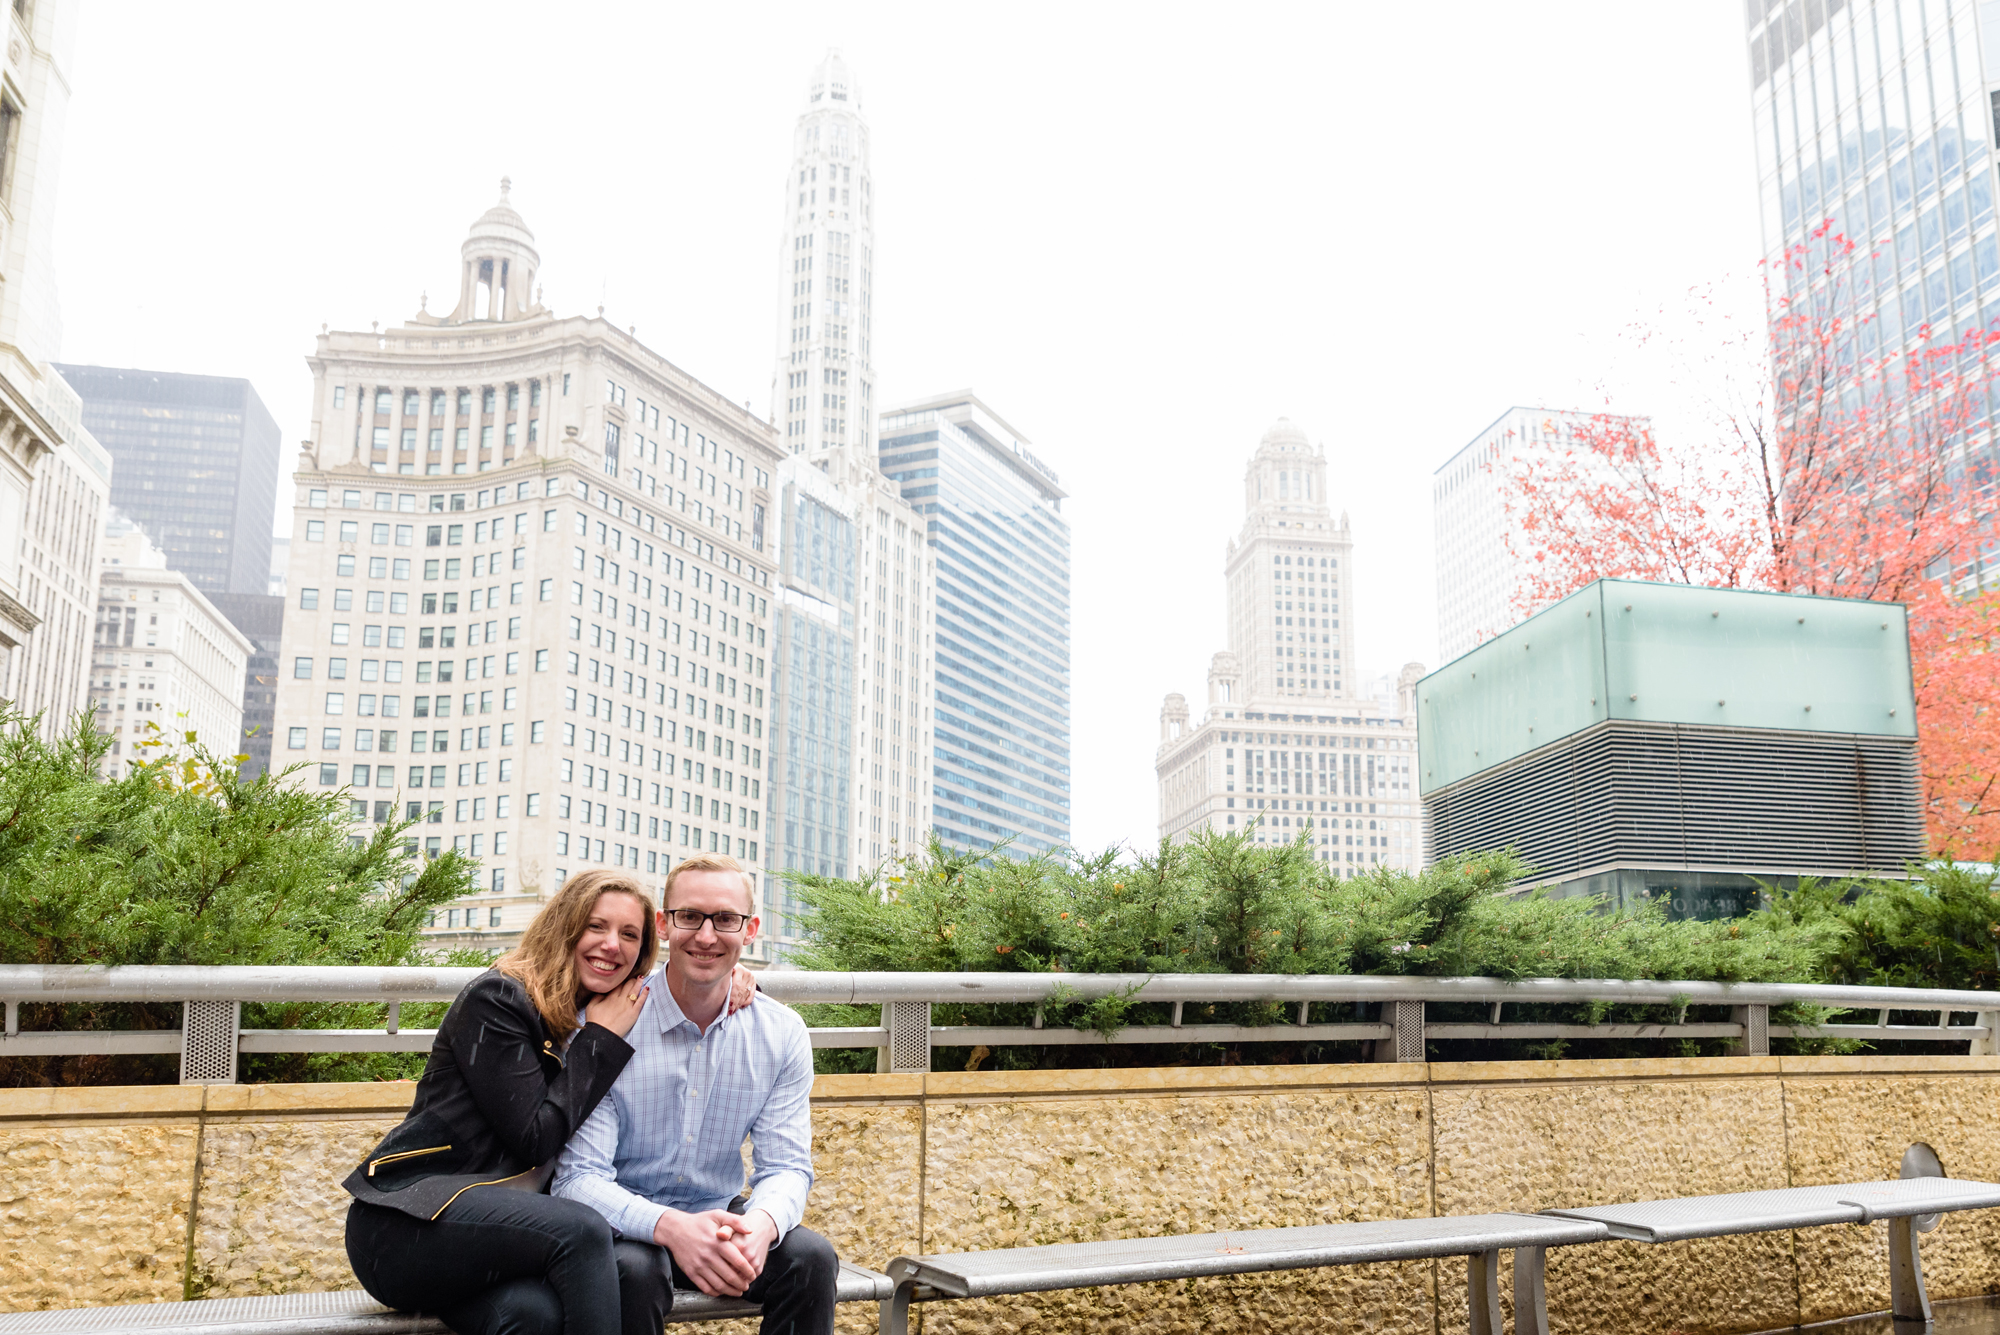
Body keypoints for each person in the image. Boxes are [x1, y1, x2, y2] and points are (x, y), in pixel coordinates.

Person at [342, 870, 756, 1335]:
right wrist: (599, 1040)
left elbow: (693, 979)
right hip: (408, 1228)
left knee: (532, 1317)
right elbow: (534, 1138)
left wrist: (734, 976)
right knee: (583, 1229)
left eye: (629, 935)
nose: (611, 946)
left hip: (499, 1243)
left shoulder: (598, 1010)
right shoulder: (499, 1000)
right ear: (565, 926)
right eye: (595, 926)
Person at [553, 853, 837, 1335]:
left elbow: (787, 1166)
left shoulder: (781, 1033)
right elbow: (578, 1178)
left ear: (750, 930)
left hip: (720, 1217)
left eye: (726, 919)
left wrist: (762, 1226)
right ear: (664, 925)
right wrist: (672, 1228)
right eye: (690, 917)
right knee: (632, 1272)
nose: (706, 936)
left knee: (810, 1259)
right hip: (625, 1223)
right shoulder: (607, 1026)